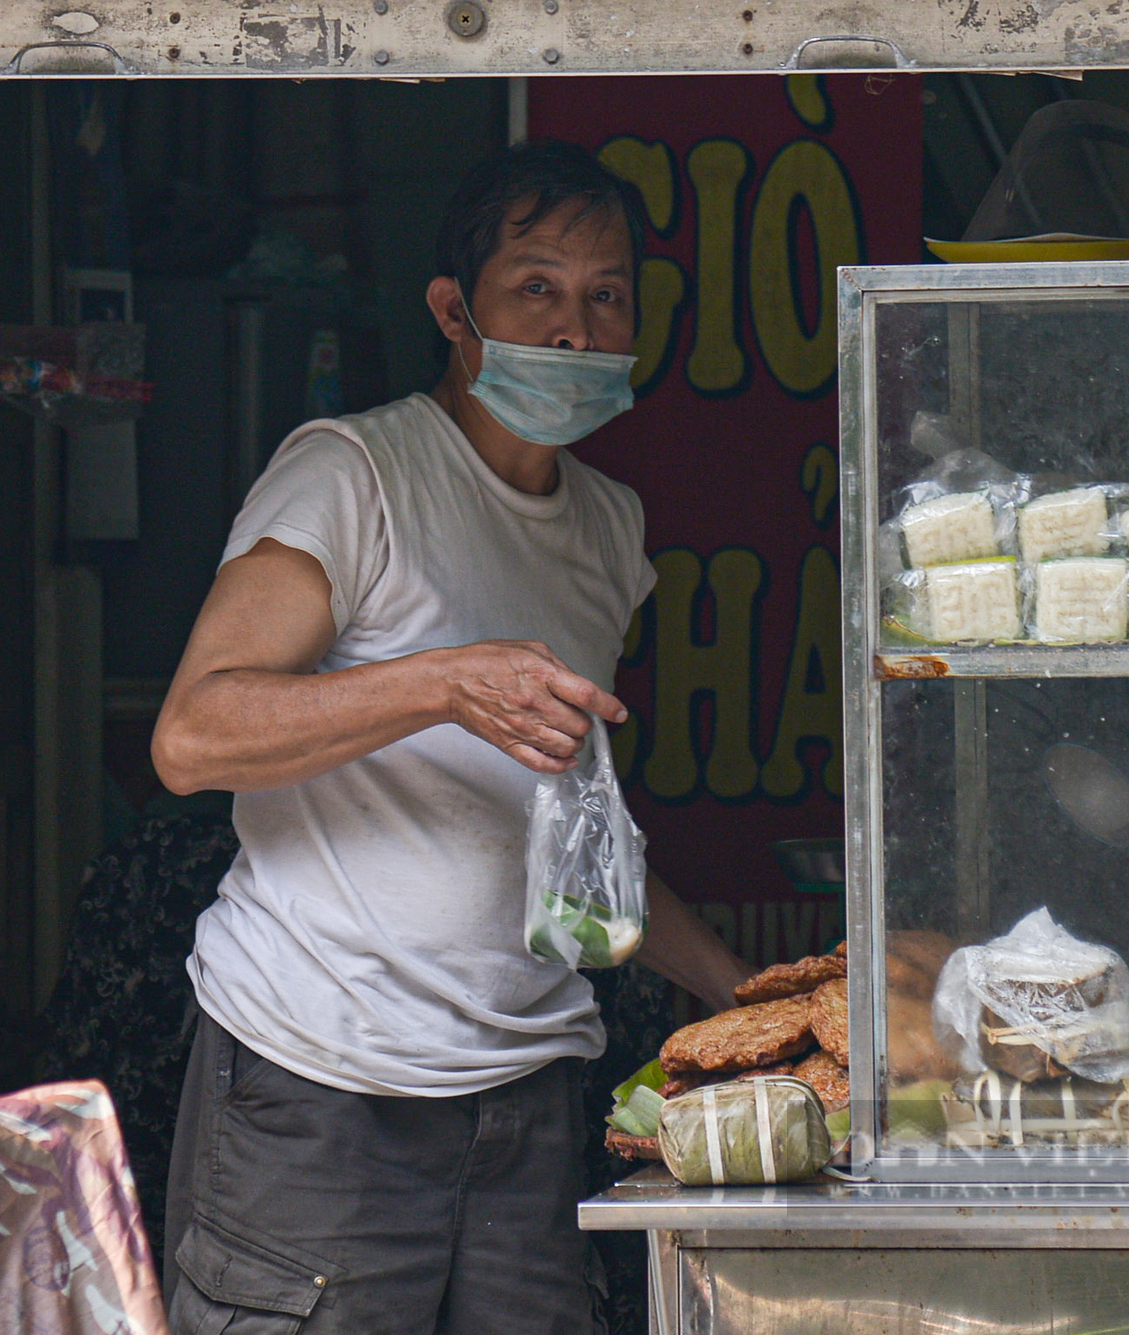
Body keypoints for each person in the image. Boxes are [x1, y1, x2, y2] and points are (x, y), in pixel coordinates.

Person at [150, 140, 752, 1335]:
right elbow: (192, 734)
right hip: (317, 1087)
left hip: (524, 1098)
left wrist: (751, 999)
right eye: (535, 288)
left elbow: (578, 848)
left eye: (605, 295)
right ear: (451, 312)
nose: (574, 329)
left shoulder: (606, 531)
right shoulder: (352, 473)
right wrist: (435, 685)